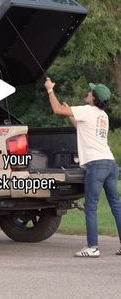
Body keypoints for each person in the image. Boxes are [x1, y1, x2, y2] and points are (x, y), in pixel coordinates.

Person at [44, 77, 121, 258]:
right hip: (110, 163)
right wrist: (71, 113)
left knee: (91, 207)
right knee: (116, 206)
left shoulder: (87, 110)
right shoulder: (103, 116)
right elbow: (80, 127)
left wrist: (49, 90)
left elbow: (56, 109)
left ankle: (92, 247)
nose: (87, 93)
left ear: (93, 98)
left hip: (96, 165)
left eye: (90, 92)